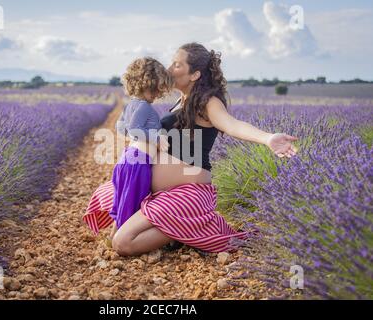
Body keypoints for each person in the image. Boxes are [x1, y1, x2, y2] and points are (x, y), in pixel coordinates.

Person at [83, 42, 298, 256]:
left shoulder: (208, 102)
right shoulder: (180, 101)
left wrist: (268, 138)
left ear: (194, 74)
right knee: (109, 192)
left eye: (177, 65)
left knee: (122, 243)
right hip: (158, 192)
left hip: (188, 194)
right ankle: (177, 227)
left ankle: (183, 228)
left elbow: (232, 124)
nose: (169, 69)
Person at [107, 57, 172, 247]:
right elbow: (135, 129)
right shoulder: (144, 106)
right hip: (139, 162)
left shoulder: (129, 105)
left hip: (128, 159)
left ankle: (111, 238)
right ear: (148, 83)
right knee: (133, 202)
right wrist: (157, 139)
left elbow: (121, 128)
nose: (159, 94)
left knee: (124, 200)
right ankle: (120, 242)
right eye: (157, 88)